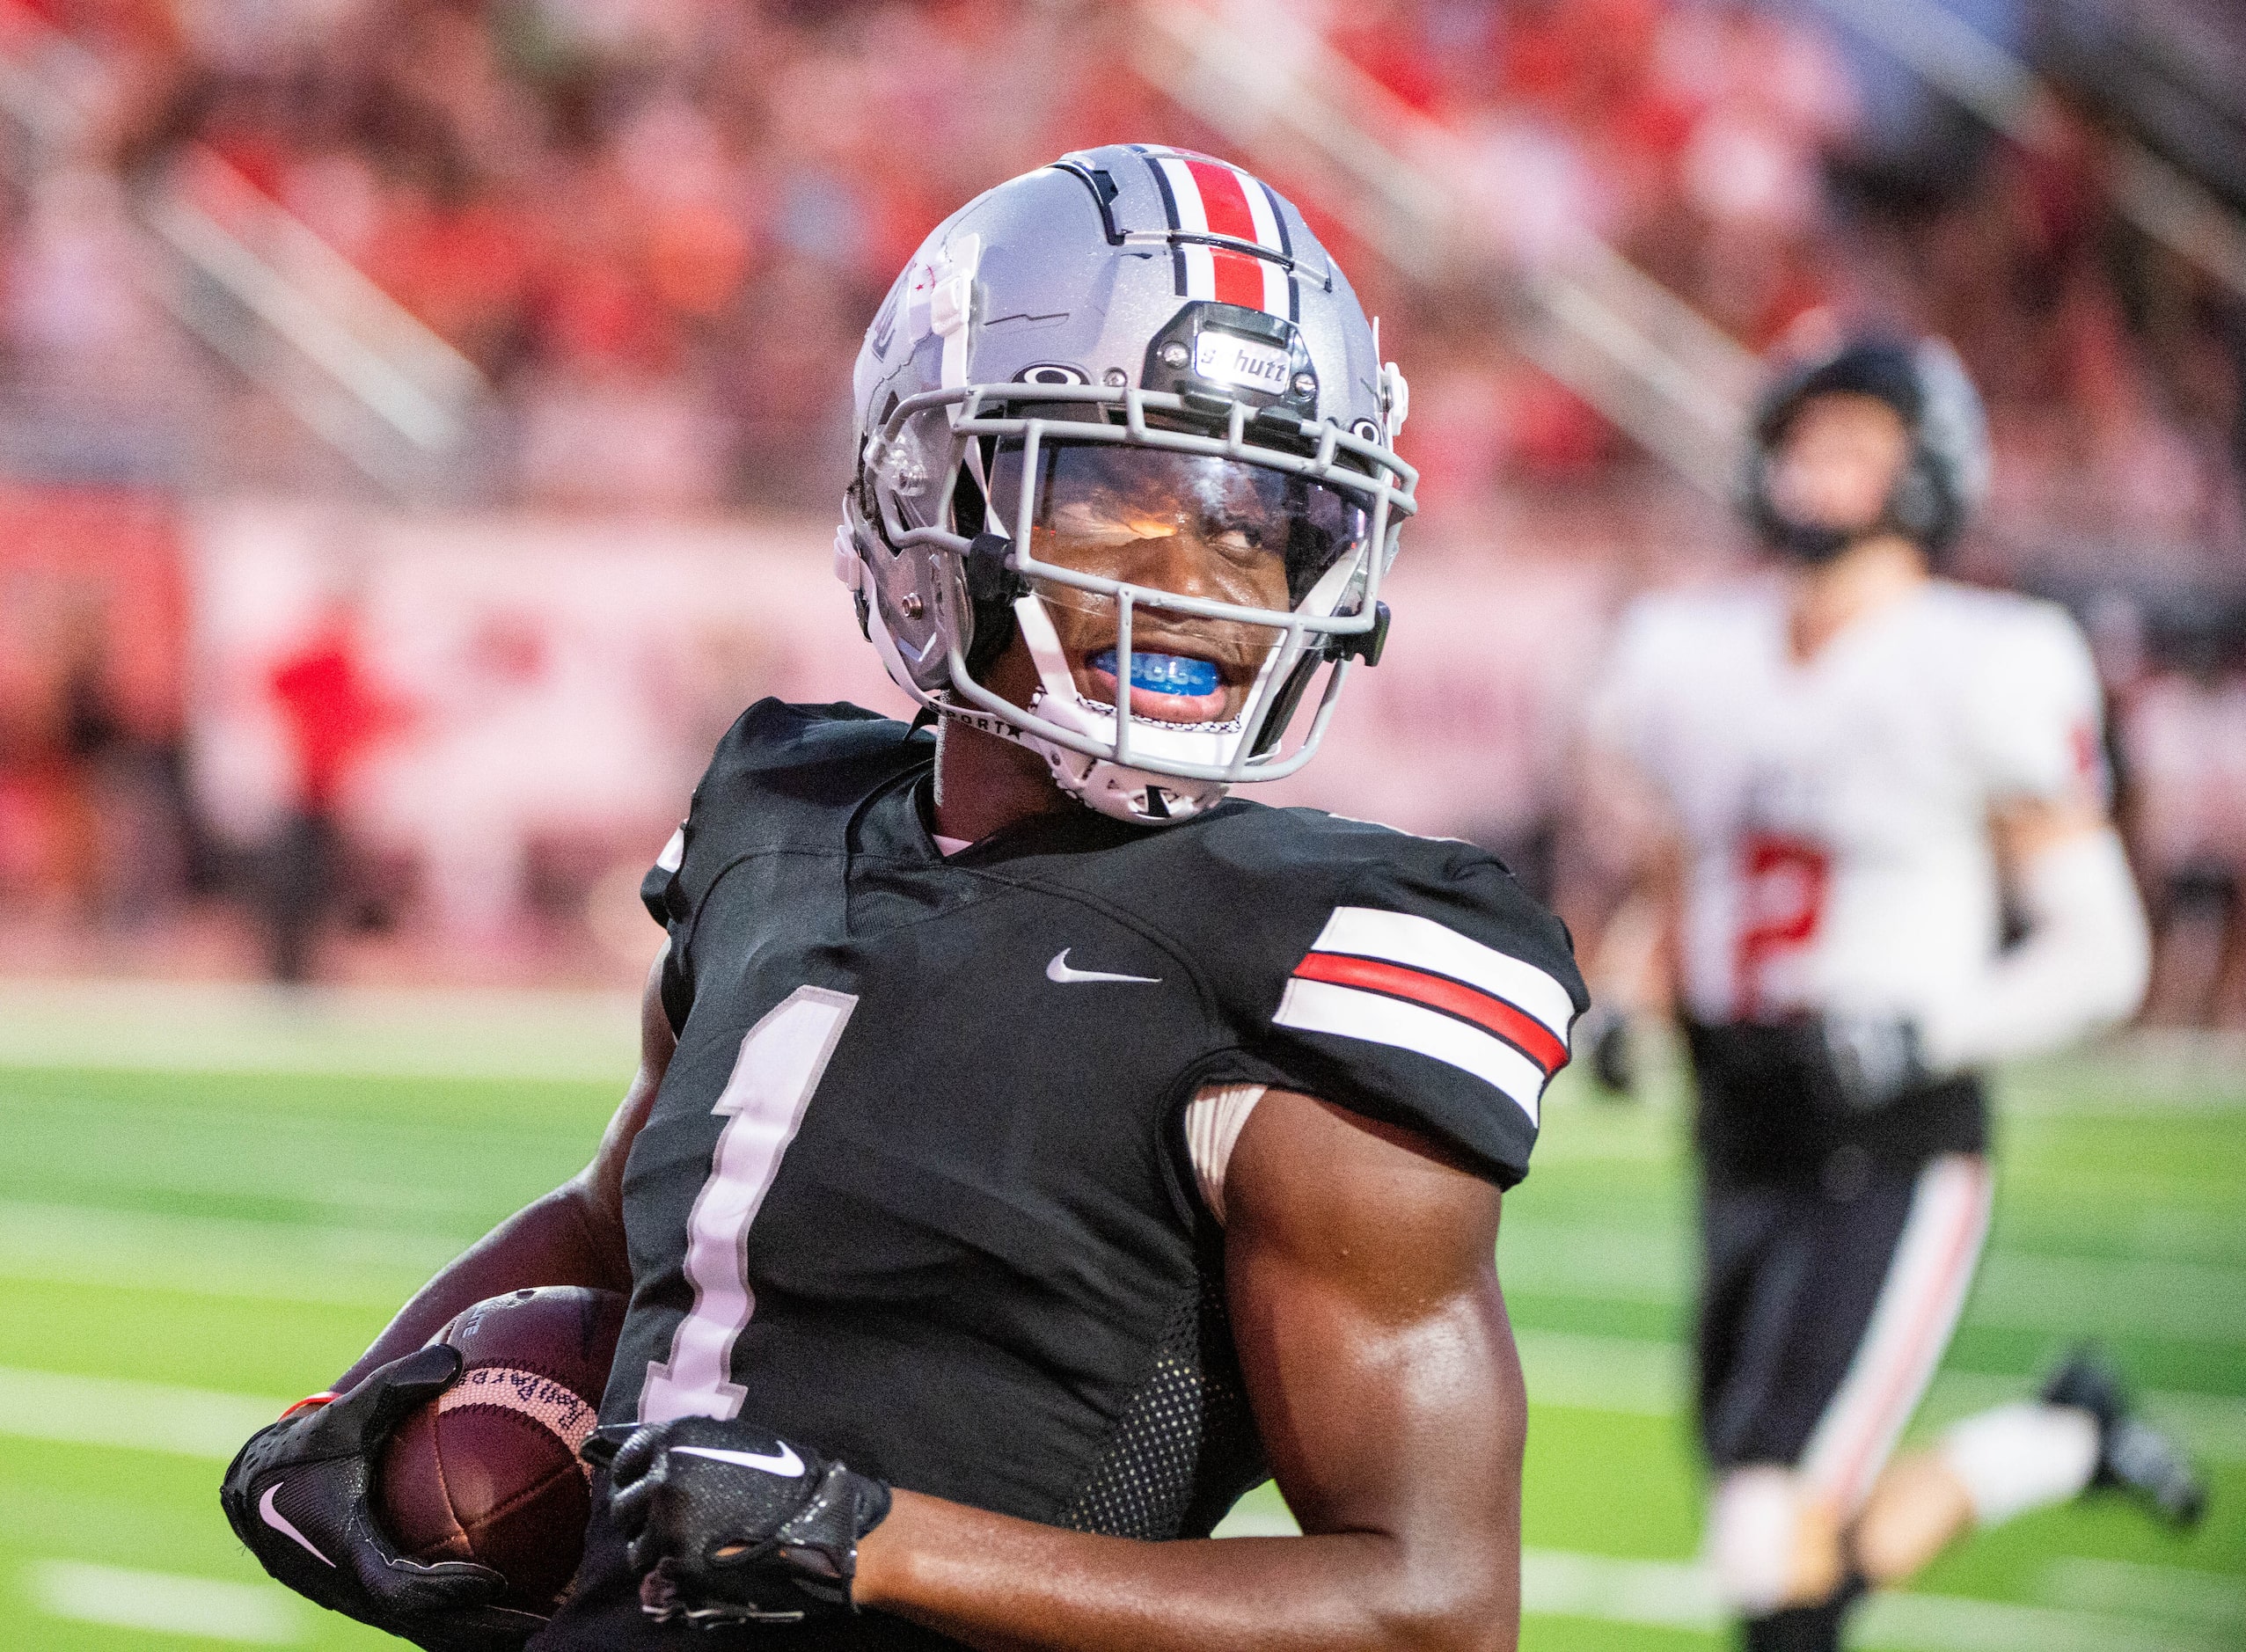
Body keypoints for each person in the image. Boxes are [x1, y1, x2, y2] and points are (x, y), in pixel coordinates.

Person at [220, 144, 1585, 1652]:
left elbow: (1431, 1606)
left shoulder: (1316, 953)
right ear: (928, 485)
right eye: (1120, 492)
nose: (1198, 572)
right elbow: (615, 1222)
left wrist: (873, 1540)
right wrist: (347, 1416)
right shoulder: (779, 818)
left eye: (1256, 521)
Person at [1575, 333, 2205, 1651]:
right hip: (1734, 1125)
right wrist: (1632, 997)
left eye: (1856, 443)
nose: (1818, 470)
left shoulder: (1985, 656)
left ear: (1930, 470)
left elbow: (2101, 952)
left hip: (1890, 1134)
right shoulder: (1690, 650)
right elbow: (1678, 877)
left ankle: (2056, 1439)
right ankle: (2056, 1438)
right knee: (1768, 1519)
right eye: (1806, 439)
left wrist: (1924, 1030)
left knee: (1766, 1536)